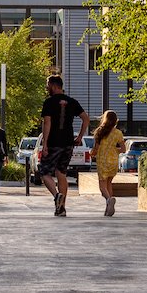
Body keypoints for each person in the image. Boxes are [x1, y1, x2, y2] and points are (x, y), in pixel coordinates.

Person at [37, 74, 89, 217]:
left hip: (54, 142)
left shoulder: (49, 102)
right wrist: (79, 137)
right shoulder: (72, 101)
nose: (47, 87)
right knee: (61, 173)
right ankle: (61, 208)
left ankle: (56, 196)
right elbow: (86, 119)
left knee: (44, 172)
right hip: (68, 143)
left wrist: (45, 143)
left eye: (48, 85)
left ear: (54, 86)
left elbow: (47, 123)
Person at [92, 110, 127, 216]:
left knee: (102, 187)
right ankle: (108, 209)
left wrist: (92, 153)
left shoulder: (100, 131)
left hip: (102, 161)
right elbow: (124, 149)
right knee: (109, 184)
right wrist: (115, 150)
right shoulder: (118, 133)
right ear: (115, 120)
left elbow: (96, 149)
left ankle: (108, 200)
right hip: (113, 161)